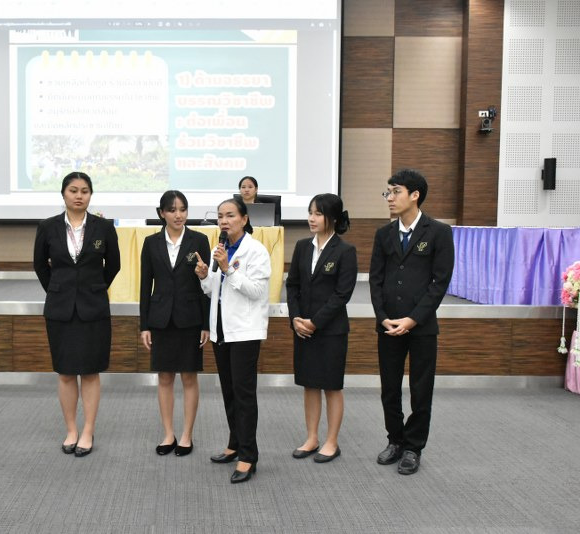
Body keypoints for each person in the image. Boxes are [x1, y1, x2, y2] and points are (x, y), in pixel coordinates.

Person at [369, 169, 454, 475]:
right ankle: (395, 440)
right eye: (388, 192)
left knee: (420, 390)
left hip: (422, 327)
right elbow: (375, 281)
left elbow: (439, 282)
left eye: (396, 192)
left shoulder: (439, 232)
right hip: (389, 325)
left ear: (415, 195)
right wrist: (383, 318)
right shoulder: (384, 234)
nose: (390, 198)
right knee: (389, 389)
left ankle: (413, 447)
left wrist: (413, 319)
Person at [33, 171, 121, 457]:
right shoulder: (47, 227)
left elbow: (114, 265)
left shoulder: (103, 227)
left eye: (84, 191)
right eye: (73, 190)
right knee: (66, 372)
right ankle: (71, 429)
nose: (79, 195)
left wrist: (93, 288)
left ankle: (88, 430)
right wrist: (59, 289)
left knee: (91, 372)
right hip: (60, 308)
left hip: (93, 307)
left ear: (90, 195)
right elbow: (40, 266)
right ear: (63, 194)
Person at [194, 196, 271, 483]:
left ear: (244, 219)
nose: (224, 221)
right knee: (228, 391)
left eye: (230, 215)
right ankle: (234, 443)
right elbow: (214, 291)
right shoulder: (221, 249)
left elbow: (256, 291)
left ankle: (249, 456)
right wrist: (205, 276)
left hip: (245, 332)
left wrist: (228, 268)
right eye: (220, 216)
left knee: (244, 394)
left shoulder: (256, 251)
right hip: (222, 330)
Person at [286, 194, 357, 463]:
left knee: (331, 386)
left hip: (330, 331)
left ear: (333, 218)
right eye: (310, 212)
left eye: (318, 213)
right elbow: (292, 285)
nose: (311, 218)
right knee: (309, 385)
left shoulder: (345, 251)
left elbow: (342, 294)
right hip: (303, 329)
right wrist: (296, 318)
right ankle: (312, 438)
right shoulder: (302, 247)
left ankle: (331, 441)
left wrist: (315, 322)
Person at [140, 191, 211, 457]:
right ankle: (168, 433)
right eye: (172, 210)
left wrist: (206, 324)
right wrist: (144, 325)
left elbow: (205, 285)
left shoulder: (199, 240)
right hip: (160, 319)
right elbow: (145, 285)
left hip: (190, 318)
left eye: (182, 209)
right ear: (162, 213)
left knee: (189, 377)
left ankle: (186, 436)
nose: (178, 215)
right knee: (165, 377)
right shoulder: (151, 243)